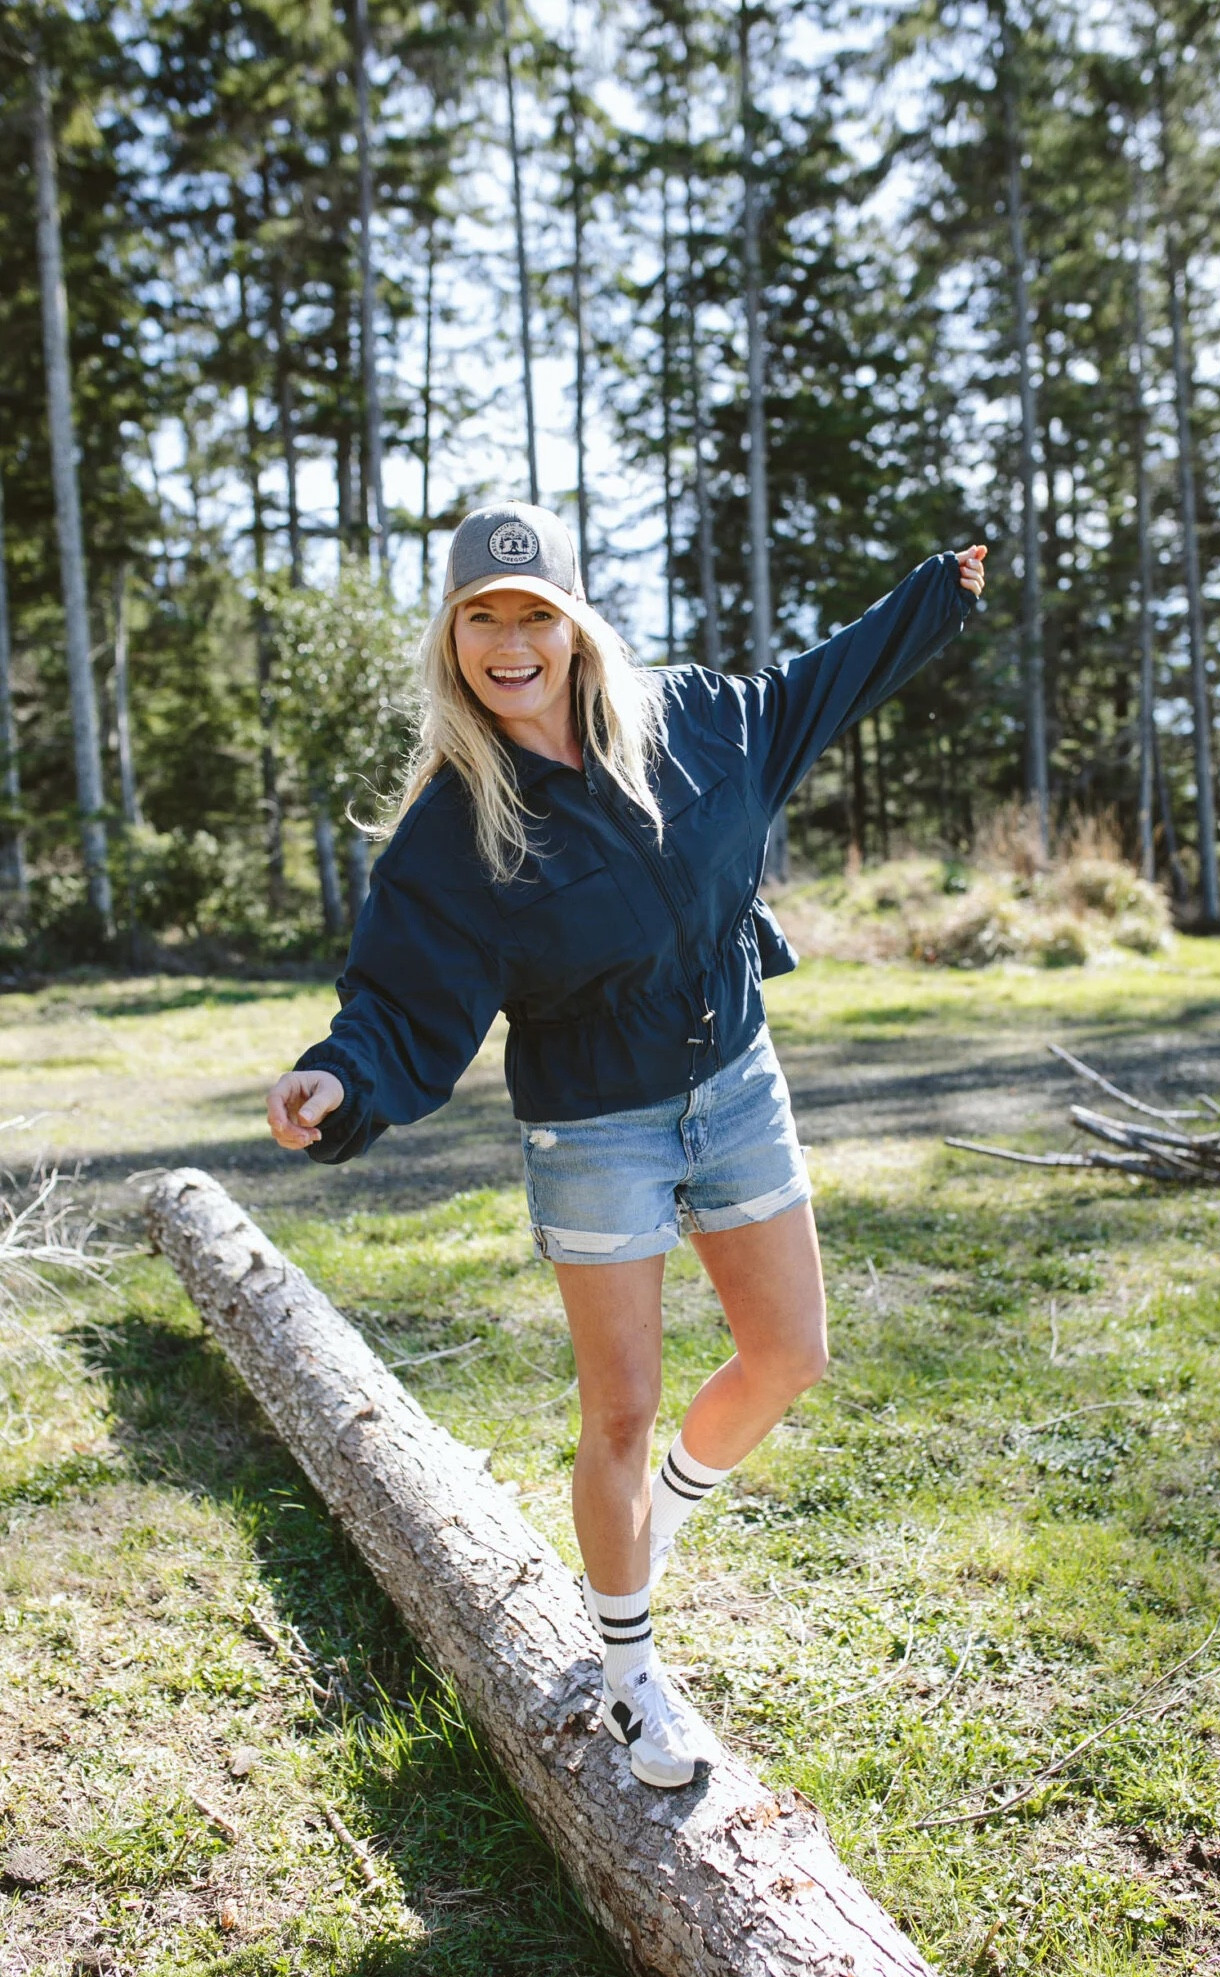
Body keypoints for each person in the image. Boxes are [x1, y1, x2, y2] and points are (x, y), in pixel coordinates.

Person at [267, 500, 985, 1789]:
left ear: (575, 620)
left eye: (533, 611)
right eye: (481, 618)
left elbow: (820, 687)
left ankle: (644, 1550)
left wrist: (936, 592)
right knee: (621, 1410)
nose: (510, 641)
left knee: (787, 1358)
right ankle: (628, 1672)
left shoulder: (696, 722)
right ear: (452, 639)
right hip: (598, 1125)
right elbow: (399, 997)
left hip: (737, 1086)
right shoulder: (454, 830)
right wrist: (339, 1076)